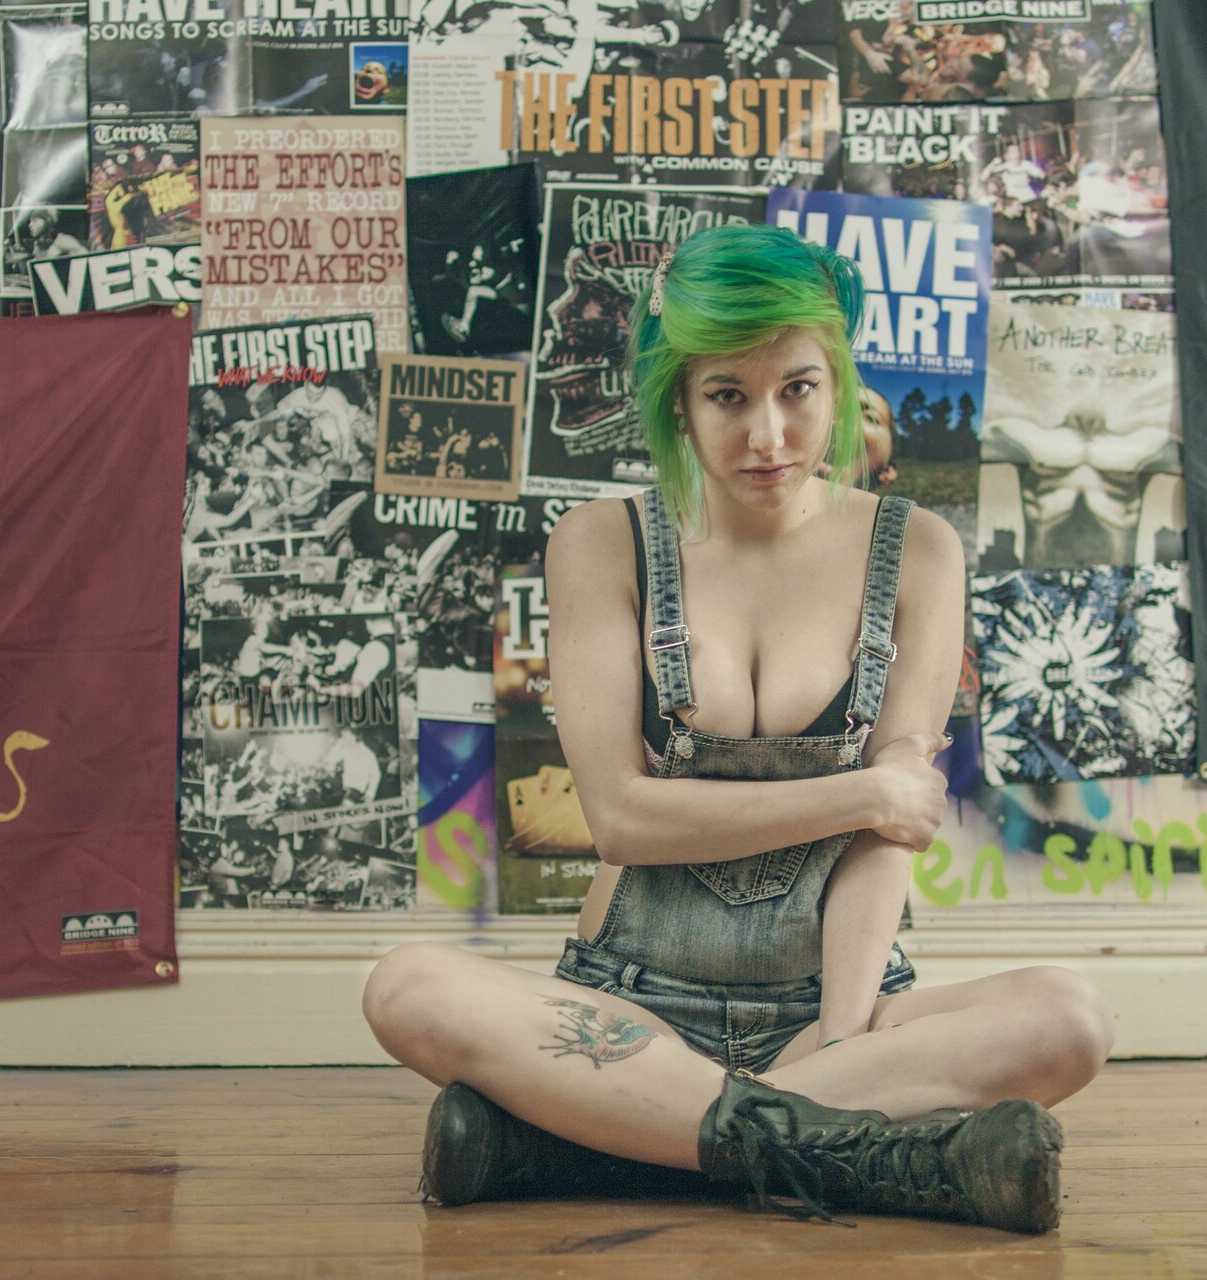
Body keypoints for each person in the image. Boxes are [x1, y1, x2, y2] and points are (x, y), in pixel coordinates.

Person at [362, 223, 1113, 1233]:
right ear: (678, 401)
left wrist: (840, 1044)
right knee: (405, 987)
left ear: (837, 385)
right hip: (630, 1007)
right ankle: (863, 1152)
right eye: (728, 397)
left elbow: (889, 840)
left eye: (798, 389)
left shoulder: (920, 551)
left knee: (1071, 1018)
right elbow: (623, 818)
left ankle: (604, 1143)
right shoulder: (602, 543)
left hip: (837, 1008)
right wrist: (863, 788)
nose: (769, 435)